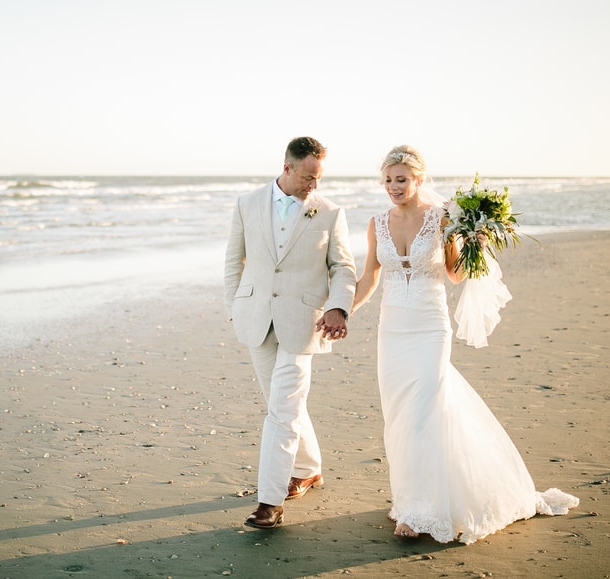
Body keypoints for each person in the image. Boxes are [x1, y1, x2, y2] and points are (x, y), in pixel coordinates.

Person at [350, 144, 579, 543]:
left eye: (401, 179)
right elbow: (370, 275)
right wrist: (342, 310)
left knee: (423, 412)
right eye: (387, 180)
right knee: (399, 416)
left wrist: (473, 239)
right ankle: (409, 499)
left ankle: (421, 512)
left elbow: (455, 275)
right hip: (393, 329)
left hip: (429, 326)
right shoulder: (377, 222)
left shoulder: (441, 219)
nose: (393, 187)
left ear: (418, 179)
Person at [224, 136, 356, 529]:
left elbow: (344, 268)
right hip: (256, 319)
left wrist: (338, 305)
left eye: (319, 178)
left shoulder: (330, 212)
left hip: (304, 322)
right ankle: (309, 467)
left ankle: (269, 501)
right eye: (308, 176)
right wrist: (235, 307)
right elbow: (234, 260)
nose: (313, 185)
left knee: (282, 410)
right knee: (281, 404)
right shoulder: (246, 204)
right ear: (287, 168)